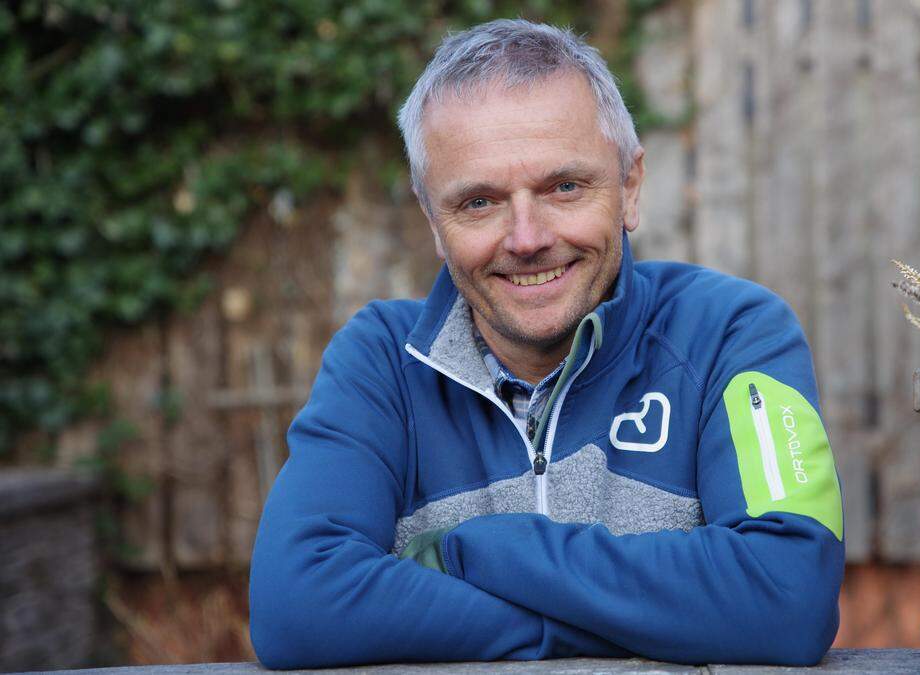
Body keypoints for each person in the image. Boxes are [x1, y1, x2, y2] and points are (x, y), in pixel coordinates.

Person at [248, 19, 844, 669]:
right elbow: (294, 608)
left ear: (631, 187)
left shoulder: (734, 333)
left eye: (564, 186)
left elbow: (788, 593)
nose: (527, 236)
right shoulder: (379, 363)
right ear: (432, 222)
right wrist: (600, 624)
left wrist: (472, 551)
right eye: (479, 201)